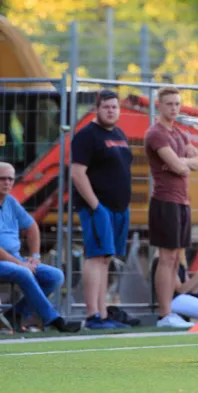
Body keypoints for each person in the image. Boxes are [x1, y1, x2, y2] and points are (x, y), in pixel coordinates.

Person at [71, 90, 133, 329]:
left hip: (119, 208)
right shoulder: (86, 136)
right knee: (95, 257)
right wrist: (96, 206)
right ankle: (92, 316)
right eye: (106, 107)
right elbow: (78, 173)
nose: (111, 111)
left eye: (114, 107)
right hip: (97, 207)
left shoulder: (119, 133)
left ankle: (104, 314)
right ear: (97, 108)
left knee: (106, 259)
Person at [144, 86, 198, 328]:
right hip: (165, 201)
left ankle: (170, 311)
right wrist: (181, 164)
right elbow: (179, 168)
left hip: (182, 201)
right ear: (159, 105)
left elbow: (197, 162)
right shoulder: (156, 134)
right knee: (166, 258)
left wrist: (182, 162)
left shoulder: (179, 134)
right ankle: (164, 313)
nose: (174, 108)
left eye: (178, 104)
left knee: (175, 257)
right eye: (169, 104)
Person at [0, 162, 79, 333]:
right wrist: (19, 264)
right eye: (2, 179)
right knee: (24, 272)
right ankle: (53, 319)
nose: (7, 183)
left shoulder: (11, 202)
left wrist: (35, 256)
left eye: (10, 179)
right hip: (7, 260)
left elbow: (32, 227)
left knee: (55, 276)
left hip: (14, 258)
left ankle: (15, 314)